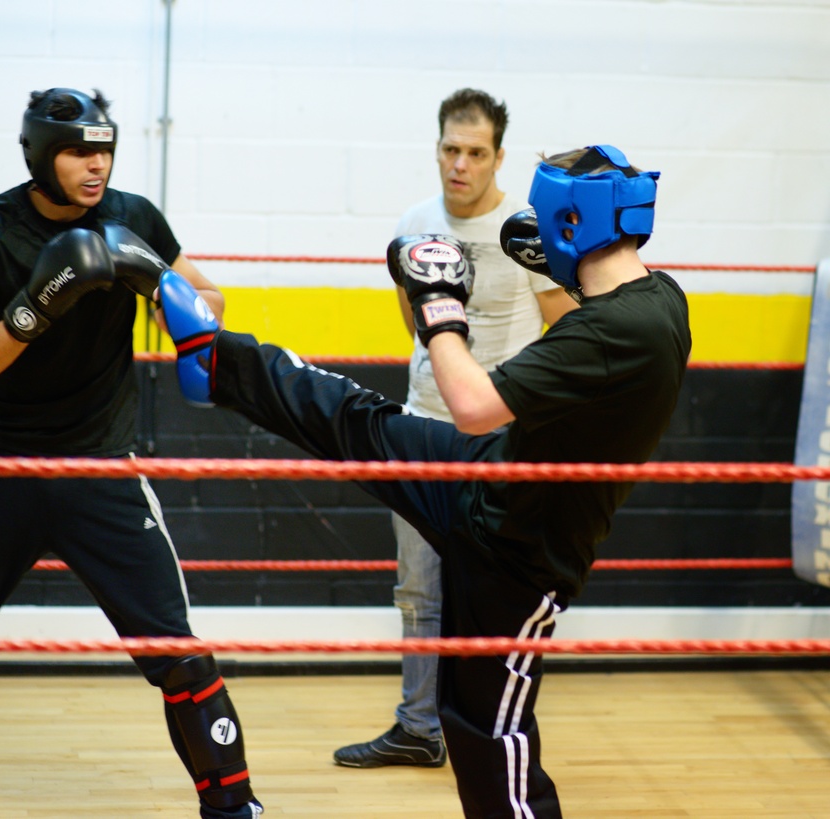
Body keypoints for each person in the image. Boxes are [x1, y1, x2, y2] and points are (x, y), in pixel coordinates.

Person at [157, 144, 690, 817]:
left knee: (488, 734)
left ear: (572, 221)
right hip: (486, 479)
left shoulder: (611, 331)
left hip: (518, 553)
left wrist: (438, 302)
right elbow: (594, 326)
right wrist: (561, 262)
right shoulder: (662, 297)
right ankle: (217, 363)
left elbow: (471, 405)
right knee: (360, 421)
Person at [0, 88, 263, 819]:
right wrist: (37, 304)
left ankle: (235, 808)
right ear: (41, 154)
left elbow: (213, 306)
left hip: (100, 468)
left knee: (177, 651)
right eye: (78, 152)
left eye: (104, 151)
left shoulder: (133, 217)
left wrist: (158, 280)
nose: (96, 165)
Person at [333, 88, 576, 770]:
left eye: (475, 152)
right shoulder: (414, 223)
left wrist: (522, 402)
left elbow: (565, 325)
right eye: (450, 149)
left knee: (497, 587)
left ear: (498, 157)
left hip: (502, 436)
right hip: (424, 425)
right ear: (436, 149)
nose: (460, 164)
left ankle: (488, 731)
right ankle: (418, 727)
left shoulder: (526, 230)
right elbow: (415, 325)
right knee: (419, 587)